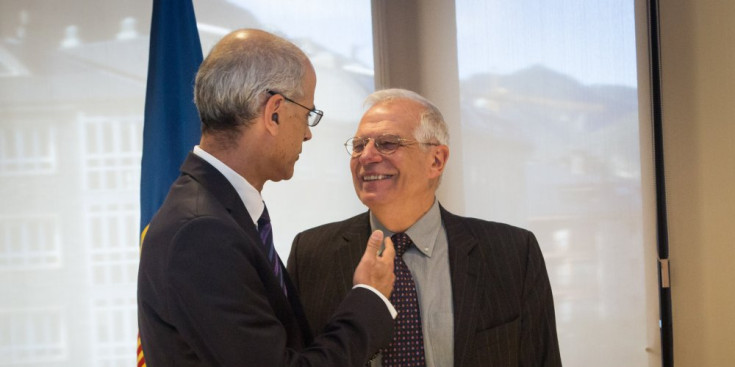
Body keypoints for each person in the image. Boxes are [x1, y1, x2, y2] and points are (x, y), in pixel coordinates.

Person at [137, 29, 397, 367]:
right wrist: (370, 298)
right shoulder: (202, 232)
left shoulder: (216, 212)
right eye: (307, 114)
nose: (307, 133)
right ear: (274, 112)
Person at [288, 88, 562, 366]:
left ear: (436, 161)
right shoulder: (311, 254)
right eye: (359, 145)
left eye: (387, 143)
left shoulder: (512, 253)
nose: (366, 156)